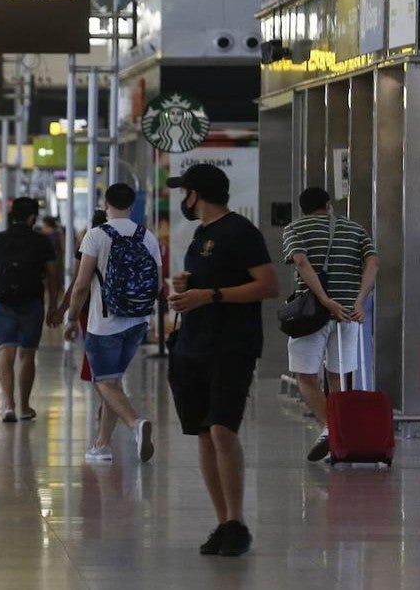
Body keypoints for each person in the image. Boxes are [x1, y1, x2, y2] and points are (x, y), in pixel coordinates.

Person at [167, 164, 278, 557]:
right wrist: (189, 286)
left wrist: (210, 295)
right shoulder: (201, 235)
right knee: (202, 431)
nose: (183, 200)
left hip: (231, 346)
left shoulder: (240, 232)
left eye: (185, 193)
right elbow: (211, 282)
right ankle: (222, 523)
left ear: (196, 194)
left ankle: (236, 520)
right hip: (194, 345)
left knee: (222, 430)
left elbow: (267, 284)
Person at [62, 184, 162, 463]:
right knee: (113, 381)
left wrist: (71, 318)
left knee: (104, 381)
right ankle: (102, 445)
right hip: (137, 322)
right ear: (132, 204)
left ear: (106, 203)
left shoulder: (96, 235)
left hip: (104, 323)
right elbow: (156, 282)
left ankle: (135, 424)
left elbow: (81, 285)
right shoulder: (148, 237)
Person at [281, 187, 379, 462]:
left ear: (304, 208)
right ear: (328, 204)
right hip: (348, 313)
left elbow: (300, 261)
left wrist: (324, 299)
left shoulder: (295, 228)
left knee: (306, 377)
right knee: (338, 377)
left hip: (311, 313)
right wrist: (359, 301)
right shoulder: (355, 229)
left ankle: (333, 430)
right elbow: (373, 262)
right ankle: (339, 432)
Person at [0, 197, 62, 422]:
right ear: (32, 217)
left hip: (3, 302)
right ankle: (25, 407)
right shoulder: (42, 242)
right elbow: (54, 275)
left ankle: (9, 405)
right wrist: (54, 305)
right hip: (32, 303)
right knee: (28, 354)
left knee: (6, 352)